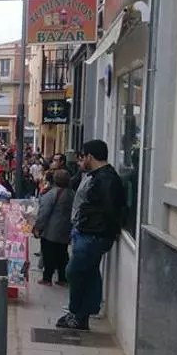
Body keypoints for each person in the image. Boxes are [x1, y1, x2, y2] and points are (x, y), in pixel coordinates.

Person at [56, 140, 125, 331]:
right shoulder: (93, 175)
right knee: (89, 273)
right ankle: (82, 314)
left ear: (90, 157)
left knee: (74, 271)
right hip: (85, 232)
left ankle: (78, 313)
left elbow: (111, 209)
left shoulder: (106, 179)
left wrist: (107, 231)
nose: (80, 161)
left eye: (82, 157)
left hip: (93, 235)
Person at [33, 170, 75, 286]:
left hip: (51, 229)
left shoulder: (52, 193)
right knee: (62, 254)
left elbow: (44, 212)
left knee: (48, 254)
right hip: (65, 229)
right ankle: (63, 278)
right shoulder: (72, 193)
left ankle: (47, 278)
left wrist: (37, 227)